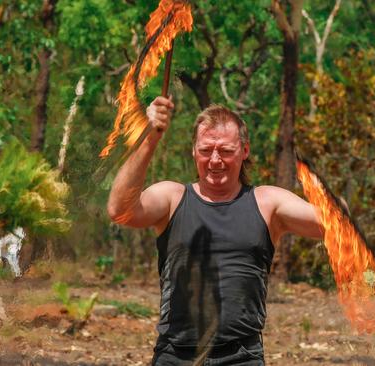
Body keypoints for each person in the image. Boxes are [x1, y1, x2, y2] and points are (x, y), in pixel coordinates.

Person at [107, 96, 323, 365]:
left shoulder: (267, 202)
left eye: (226, 151)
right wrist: (148, 137)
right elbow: (119, 210)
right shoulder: (172, 198)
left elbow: (330, 224)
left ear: (244, 150)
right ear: (194, 151)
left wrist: (333, 200)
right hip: (175, 353)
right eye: (206, 150)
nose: (215, 160)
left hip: (241, 355)